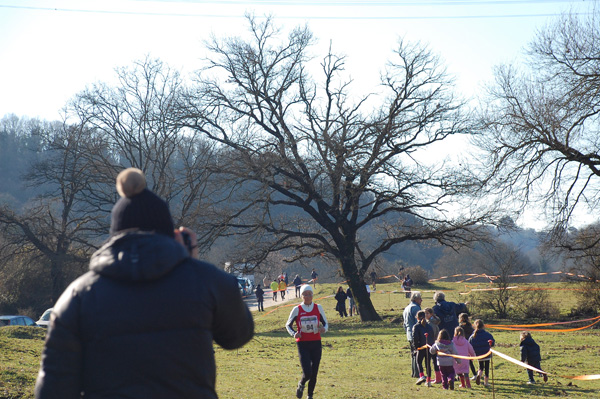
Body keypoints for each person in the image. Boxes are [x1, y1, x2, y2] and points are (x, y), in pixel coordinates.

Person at [34, 168, 254, 399]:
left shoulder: (77, 295)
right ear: (169, 233)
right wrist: (191, 265)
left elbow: (53, 386)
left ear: (114, 234)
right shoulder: (207, 281)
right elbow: (237, 336)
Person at [286, 285, 328, 399]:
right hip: (303, 344)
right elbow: (288, 325)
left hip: (316, 343)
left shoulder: (318, 307)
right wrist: (294, 333)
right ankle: (301, 384)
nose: (308, 296)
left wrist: (324, 329)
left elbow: (326, 324)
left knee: (314, 373)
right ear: (301, 296)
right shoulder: (297, 309)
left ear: (312, 295)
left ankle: (310, 396)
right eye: (305, 294)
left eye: (310, 294)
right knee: (307, 373)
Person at [468, 319, 495, 387]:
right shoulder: (487, 334)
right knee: (487, 368)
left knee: (481, 367)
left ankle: (479, 375)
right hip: (487, 353)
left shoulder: (472, 336)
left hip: (478, 354)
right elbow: (493, 342)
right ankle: (486, 382)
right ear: (483, 326)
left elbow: (469, 344)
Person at [412, 310, 434, 386]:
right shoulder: (429, 326)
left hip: (421, 347)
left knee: (419, 362)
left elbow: (415, 338)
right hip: (429, 347)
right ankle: (428, 381)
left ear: (417, 318)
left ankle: (421, 376)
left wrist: (416, 347)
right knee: (428, 364)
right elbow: (432, 337)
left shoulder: (416, 326)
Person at [403, 291, 422, 378]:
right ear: (416, 299)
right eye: (420, 298)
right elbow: (418, 323)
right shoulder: (416, 308)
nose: (421, 300)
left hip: (409, 333)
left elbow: (404, 324)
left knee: (413, 354)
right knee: (417, 354)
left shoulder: (406, 308)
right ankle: (417, 373)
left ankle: (414, 372)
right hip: (416, 334)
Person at [424, 307, 442, 383]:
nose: (425, 315)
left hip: (433, 344)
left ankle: (438, 378)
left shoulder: (431, 324)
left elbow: (434, 334)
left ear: (431, 314)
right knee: (434, 361)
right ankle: (437, 377)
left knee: (434, 361)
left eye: (427, 313)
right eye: (425, 313)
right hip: (434, 343)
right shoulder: (431, 322)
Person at [459, 312, 477, 379]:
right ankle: (475, 374)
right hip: (469, 344)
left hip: (463, 344)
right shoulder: (470, 325)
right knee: (469, 360)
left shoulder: (461, 326)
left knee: (463, 361)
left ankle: (462, 374)